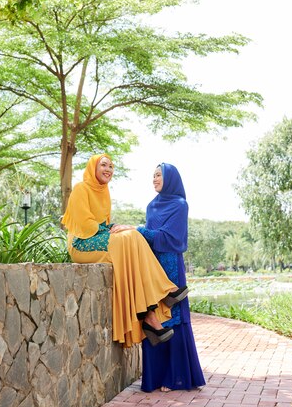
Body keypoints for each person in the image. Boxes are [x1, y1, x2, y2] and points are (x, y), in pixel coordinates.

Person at [61, 154, 189, 348]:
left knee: (133, 236)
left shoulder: (104, 192)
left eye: (111, 166)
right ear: (93, 168)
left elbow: (103, 224)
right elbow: (86, 225)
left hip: (98, 239)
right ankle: (165, 289)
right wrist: (112, 229)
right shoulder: (81, 189)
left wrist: (117, 227)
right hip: (81, 242)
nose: (108, 169)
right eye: (103, 165)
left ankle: (149, 315)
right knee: (129, 237)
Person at [137, 163, 205, 393]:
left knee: (173, 316)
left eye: (159, 175)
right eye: (153, 175)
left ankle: (175, 376)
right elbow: (149, 238)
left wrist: (139, 231)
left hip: (171, 268)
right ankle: (154, 376)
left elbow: (172, 238)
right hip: (152, 266)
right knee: (153, 314)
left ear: (170, 178)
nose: (154, 179)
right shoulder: (150, 206)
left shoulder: (179, 205)